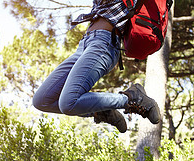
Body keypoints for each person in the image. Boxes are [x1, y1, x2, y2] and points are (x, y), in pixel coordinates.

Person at [32, 0, 161, 133]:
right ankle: (102, 111)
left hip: (104, 43)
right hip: (84, 44)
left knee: (68, 103)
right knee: (42, 100)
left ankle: (132, 98)